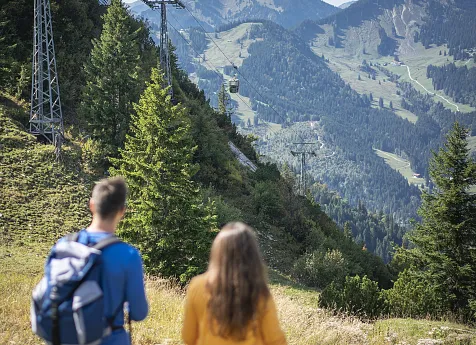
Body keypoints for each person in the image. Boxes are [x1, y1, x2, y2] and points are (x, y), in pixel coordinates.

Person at [182, 222, 287, 345]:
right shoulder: (259, 293)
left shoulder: (197, 286)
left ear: (217, 251)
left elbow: (188, 337)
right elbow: (275, 341)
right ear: (253, 257)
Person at [81, 177, 148, 345]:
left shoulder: (63, 246)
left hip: (65, 337)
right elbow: (139, 313)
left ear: (92, 205)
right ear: (122, 211)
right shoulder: (128, 255)